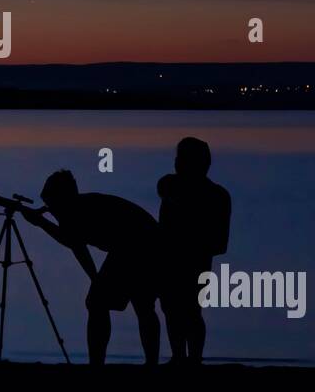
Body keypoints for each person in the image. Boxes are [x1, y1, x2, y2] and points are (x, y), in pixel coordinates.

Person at [19, 169, 162, 365]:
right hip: (141, 244)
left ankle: (98, 363)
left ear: (64, 198)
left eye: (52, 205)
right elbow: (78, 247)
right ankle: (148, 362)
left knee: (103, 303)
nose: (51, 209)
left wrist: (41, 222)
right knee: (140, 305)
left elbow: (71, 241)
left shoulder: (77, 210)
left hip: (137, 246)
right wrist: (95, 278)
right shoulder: (77, 207)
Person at [157, 137, 231, 366]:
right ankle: (181, 356)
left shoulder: (216, 195)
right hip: (178, 258)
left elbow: (219, 242)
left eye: (181, 159)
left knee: (188, 309)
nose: (177, 163)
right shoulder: (173, 186)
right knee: (174, 308)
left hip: (194, 259)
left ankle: (193, 358)